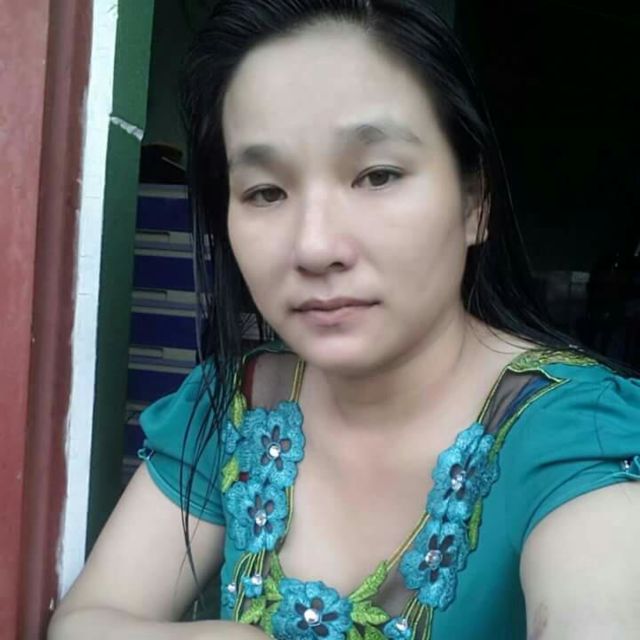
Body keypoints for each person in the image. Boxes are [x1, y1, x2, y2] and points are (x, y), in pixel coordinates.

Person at [48, 1, 640, 638]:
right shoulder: (231, 406)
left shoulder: (576, 431)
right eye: (265, 191)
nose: (314, 247)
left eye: (377, 175)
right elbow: (85, 622)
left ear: (476, 202)